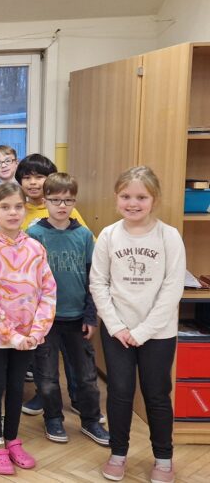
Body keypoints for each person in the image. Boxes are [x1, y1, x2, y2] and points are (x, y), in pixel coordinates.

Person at [90, 166, 185, 483]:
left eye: (141, 197)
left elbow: (172, 289)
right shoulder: (108, 235)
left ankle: (163, 458)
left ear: (154, 199)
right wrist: (117, 327)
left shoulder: (169, 236)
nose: (133, 203)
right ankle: (118, 453)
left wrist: (143, 332)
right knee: (119, 392)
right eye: (126, 196)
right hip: (117, 331)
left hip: (157, 333)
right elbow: (98, 284)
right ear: (117, 198)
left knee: (157, 394)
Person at [0, 182, 56, 475]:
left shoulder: (35, 247)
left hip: (28, 336)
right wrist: (12, 334)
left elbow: (48, 290)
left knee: (17, 386)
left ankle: (12, 439)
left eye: (18, 206)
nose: (12, 212)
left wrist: (37, 330)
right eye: (5, 207)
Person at [26, 173, 109, 447]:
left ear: (74, 201)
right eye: (56, 200)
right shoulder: (34, 234)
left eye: (68, 200)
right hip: (45, 321)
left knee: (86, 377)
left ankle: (91, 421)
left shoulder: (84, 236)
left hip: (77, 320)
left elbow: (93, 278)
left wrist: (90, 315)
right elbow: (26, 280)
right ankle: (53, 419)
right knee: (47, 377)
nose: (62, 206)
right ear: (45, 200)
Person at [16, 154, 87, 230]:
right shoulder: (16, 211)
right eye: (27, 178)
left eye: (39, 177)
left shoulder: (65, 209)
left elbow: (88, 239)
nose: (32, 182)